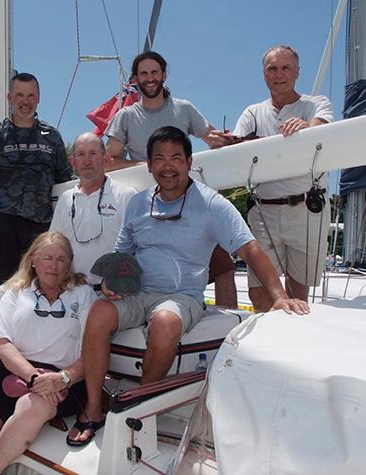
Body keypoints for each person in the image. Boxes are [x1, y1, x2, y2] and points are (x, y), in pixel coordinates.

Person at [66, 126, 310, 446]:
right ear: (150, 165)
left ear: (189, 161)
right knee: (98, 311)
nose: (168, 166)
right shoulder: (139, 204)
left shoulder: (212, 204)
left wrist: (279, 296)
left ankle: (140, 406)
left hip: (183, 296)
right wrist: (113, 280)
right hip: (138, 292)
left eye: (176, 158)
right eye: (160, 159)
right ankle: (94, 409)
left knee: (165, 322)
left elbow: (249, 248)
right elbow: (124, 253)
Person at [0, 232, 96, 475]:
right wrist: (32, 376)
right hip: (11, 369)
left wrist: (61, 379)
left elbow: (92, 351)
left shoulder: (83, 295)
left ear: (69, 263)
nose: (54, 266)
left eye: (61, 260)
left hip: (61, 378)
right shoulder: (16, 290)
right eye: (47, 258)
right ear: (33, 260)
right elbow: (0, 341)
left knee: (31, 410)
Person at [105, 51, 237, 308]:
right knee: (139, 273)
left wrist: (223, 140)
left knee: (224, 266)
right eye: (144, 73)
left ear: (163, 75)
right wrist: (148, 165)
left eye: (155, 72)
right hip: (146, 212)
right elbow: (110, 162)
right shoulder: (126, 116)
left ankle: (226, 333)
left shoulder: (185, 109)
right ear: (135, 79)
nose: (150, 78)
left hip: (188, 206)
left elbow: (210, 137)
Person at [209, 45, 333, 311]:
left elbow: (321, 127)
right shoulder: (253, 112)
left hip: (307, 210)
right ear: (264, 75)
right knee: (259, 293)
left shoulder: (316, 104)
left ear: (297, 72)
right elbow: (235, 147)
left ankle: (293, 347)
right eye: (272, 68)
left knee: (299, 292)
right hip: (264, 210)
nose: (279, 74)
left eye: (286, 67)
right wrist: (219, 143)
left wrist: (306, 127)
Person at [0, 72, 73, 286]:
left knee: (42, 286)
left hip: (42, 226)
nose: (25, 101)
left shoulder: (52, 137)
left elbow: (65, 181)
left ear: (38, 98)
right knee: (5, 288)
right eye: (19, 95)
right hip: (3, 225)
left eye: (30, 95)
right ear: (10, 98)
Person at [49, 132, 137, 284]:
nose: (87, 161)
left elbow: (140, 247)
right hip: (71, 291)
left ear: (105, 158)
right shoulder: (65, 199)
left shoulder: (126, 196)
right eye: (81, 154)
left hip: (113, 293)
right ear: (73, 162)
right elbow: (53, 246)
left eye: (93, 153)